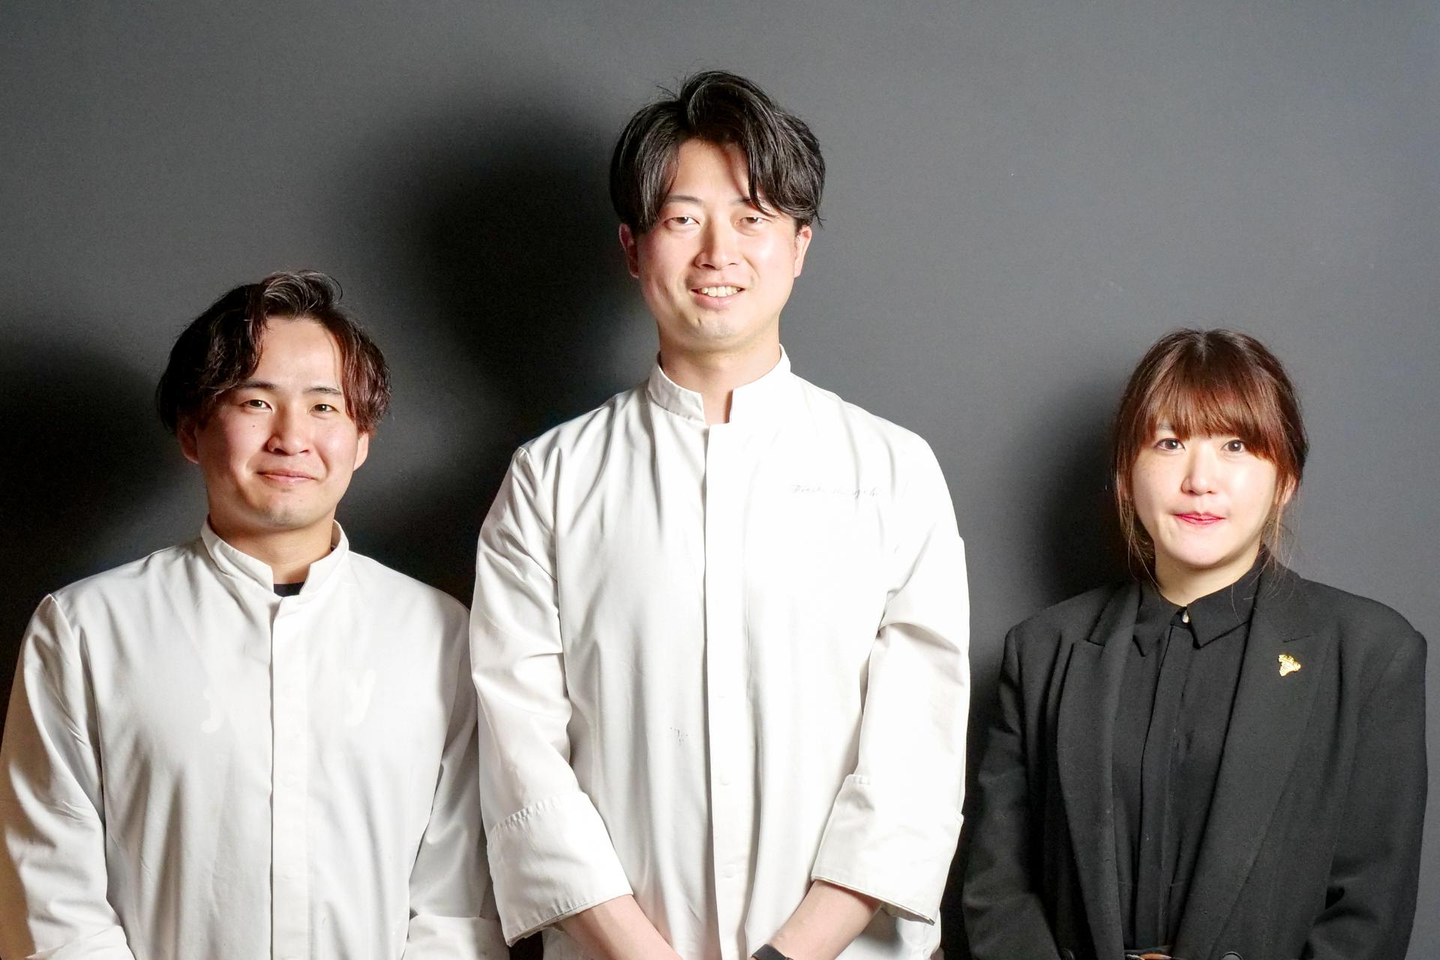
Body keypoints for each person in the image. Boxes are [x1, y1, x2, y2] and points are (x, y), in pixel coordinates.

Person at [471, 71, 969, 960]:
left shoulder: (893, 472)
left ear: (800, 245)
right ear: (632, 248)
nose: (718, 253)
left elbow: (913, 763)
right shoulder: (550, 481)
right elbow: (522, 761)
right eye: (683, 219)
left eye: (752, 218)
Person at [0, 272, 506, 960]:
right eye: (256, 401)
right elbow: (52, 898)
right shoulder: (85, 630)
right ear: (192, 430)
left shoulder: (438, 634)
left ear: (361, 439)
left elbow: (456, 908)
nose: (291, 437)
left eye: (324, 407)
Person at [962, 329, 1427, 960]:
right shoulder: (1044, 652)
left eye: (1235, 445)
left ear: (1285, 478)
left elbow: (1368, 912)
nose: (1200, 480)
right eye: (1170, 443)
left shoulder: (1370, 655)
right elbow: (998, 890)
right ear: (1126, 475)